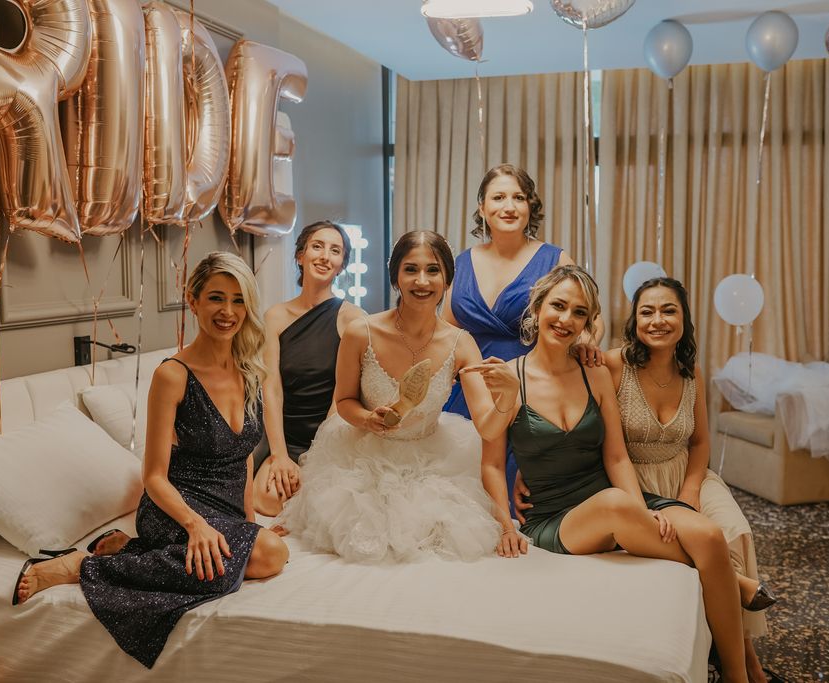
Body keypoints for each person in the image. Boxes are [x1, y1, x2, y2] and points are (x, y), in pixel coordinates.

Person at [463, 264, 749, 683]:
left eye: (579, 312)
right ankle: (734, 581)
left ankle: (739, 676)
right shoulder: (510, 376)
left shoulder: (594, 371)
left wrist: (640, 512)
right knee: (618, 505)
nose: (566, 319)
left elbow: (616, 457)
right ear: (537, 309)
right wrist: (505, 523)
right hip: (556, 516)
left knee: (708, 535)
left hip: (616, 500)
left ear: (587, 323)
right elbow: (490, 463)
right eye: (558, 306)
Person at [11, 252, 289, 668]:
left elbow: (243, 458)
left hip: (226, 510)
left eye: (238, 300)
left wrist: (248, 526)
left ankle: (130, 551)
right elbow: (154, 477)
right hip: (174, 508)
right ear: (193, 300)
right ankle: (81, 566)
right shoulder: (172, 375)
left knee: (264, 548)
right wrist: (195, 525)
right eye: (216, 298)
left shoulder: (251, 370)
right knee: (271, 554)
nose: (228, 312)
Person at [275, 230, 500, 563]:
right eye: (410, 269)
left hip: (432, 463)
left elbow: (488, 426)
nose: (421, 281)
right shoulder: (361, 332)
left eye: (433, 270)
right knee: (365, 539)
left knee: (441, 539)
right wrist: (367, 419)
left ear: (447, 280)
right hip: (362, 461)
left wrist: (509, 396)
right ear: (396, 276)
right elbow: (344, 401)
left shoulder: (462, 344)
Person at [603, 277, 777, 683]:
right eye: (647, 312)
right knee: (703, 542)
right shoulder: (613, 366)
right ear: (634, 320)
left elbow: (699, 443)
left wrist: (691, 490)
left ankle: (742, 653)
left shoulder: (691, 373)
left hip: (687, 473)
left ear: (684, 319)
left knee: (733, 531)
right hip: (635, 479)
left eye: (669, 311)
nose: (657, 320)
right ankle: (744, 665)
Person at [442, 164, 580, 502]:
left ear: (530, 205)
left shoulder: (554, 258)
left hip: (529, 391)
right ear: (482, 208)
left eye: (518, 197)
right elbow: (447, 331)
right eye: (498, 197)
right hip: (469, 392)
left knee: (519, 500)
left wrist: (587, 340)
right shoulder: (460, 262)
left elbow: (590, 316)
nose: (509, 206)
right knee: (462, 496)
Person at [252, 221, 366, 516]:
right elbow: (271, 390)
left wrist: (317, 459)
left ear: (341, 265)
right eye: (317, 246)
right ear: (300, 255)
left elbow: (342, 397)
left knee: (323, 500)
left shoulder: (354, 319)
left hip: (331, 437)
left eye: (335, 251)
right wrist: (279, 456)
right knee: (267, 499)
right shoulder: (275, 316)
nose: (325, 256)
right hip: (285, 437)